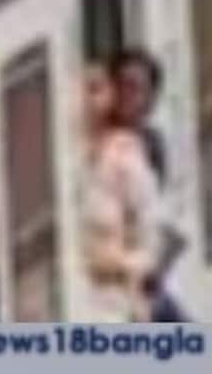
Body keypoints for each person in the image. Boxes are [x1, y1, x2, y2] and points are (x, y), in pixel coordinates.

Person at [112, 48, 189, 321]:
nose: (126, 96)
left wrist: (156, 266)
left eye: (135, 89)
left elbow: (169, 222)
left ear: (150, 100)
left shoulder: (153, 145)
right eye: (121, 86)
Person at [81, 61, 162, 322]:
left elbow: (150, 242)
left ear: (109, 97)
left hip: (117, 307)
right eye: (82, 90)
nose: (87, 100)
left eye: (96, 89)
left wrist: (117, 264)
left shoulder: (126, 156)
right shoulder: (67, 158)